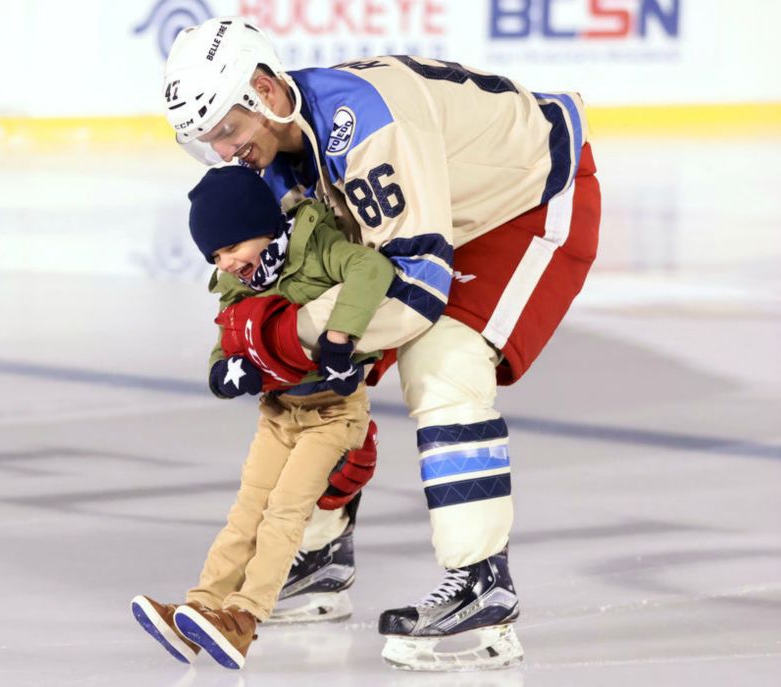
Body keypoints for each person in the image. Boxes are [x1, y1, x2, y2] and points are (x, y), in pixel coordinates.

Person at [161, 17, 601, 671]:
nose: (225, 149)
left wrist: (285, 335)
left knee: (442, 359)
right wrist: (270, 343)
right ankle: (317, 555)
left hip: (526, 199)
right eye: (210, 139)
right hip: (444, 215)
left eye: (228, 127)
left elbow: (417, 288)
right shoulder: (279, 158)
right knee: (322, 388)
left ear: (264, 89)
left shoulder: (362, 123)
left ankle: (483, 579)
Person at [131, 165, 396, 670]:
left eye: (231, 247)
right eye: (215, 256)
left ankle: (245, 618)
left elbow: (371, 270)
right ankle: (202, 605)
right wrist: (224, 371)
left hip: (331, 414)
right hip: (278, 413)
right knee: (246, 512)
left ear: (262, 224)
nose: (227, 262)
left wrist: (340, 340)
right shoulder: (239, 282)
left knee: (284, 514)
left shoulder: (314, 244)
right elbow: (225, 339)